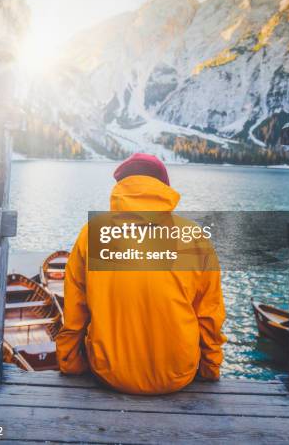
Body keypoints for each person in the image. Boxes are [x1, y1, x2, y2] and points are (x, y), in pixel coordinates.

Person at [56, 153, 226, 395]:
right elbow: (209, 314)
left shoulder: (92, 234)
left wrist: (70, 364)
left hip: (109, 373)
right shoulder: (193, 236)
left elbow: (75, 311)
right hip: (178, 374)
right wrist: (210, 368)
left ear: (120, 187)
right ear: (164, 187)